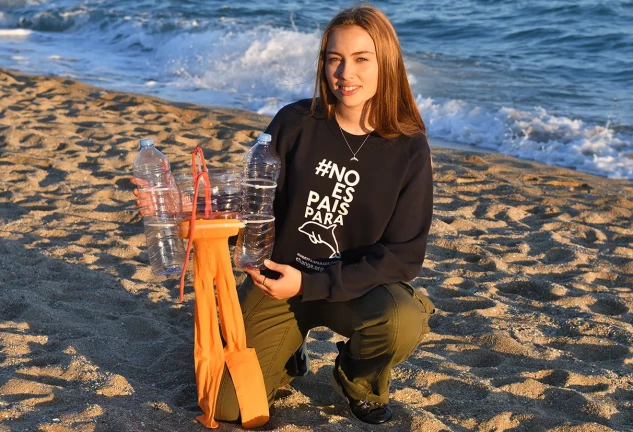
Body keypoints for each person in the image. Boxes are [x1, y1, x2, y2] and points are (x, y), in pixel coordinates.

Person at [134, 4, 434, 426]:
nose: (345, 73)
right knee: (226, 407)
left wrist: (315, 283)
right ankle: (289, 357)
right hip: (276, 282)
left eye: (361, 59)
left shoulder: (408, 148)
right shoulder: (296, 122)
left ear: (386, 63)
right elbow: (251, 208)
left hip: (354, 290)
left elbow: (404, 256)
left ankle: (358, 382)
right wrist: (185, 210)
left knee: (401, 320)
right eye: (335, 59)